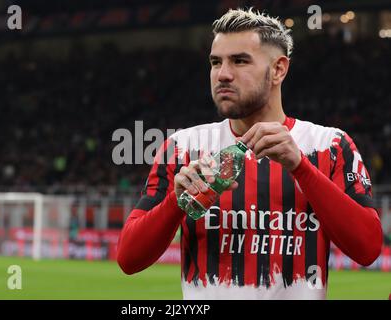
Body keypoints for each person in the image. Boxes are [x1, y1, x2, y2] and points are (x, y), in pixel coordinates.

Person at [116, 8, 383, 299]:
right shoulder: (183, 148)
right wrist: (176, 203)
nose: (223, 74)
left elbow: (368, 249)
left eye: (240, 61)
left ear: (279, 69)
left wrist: (300, 168)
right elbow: (129, 259)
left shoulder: (329, 145)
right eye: (215, 62)